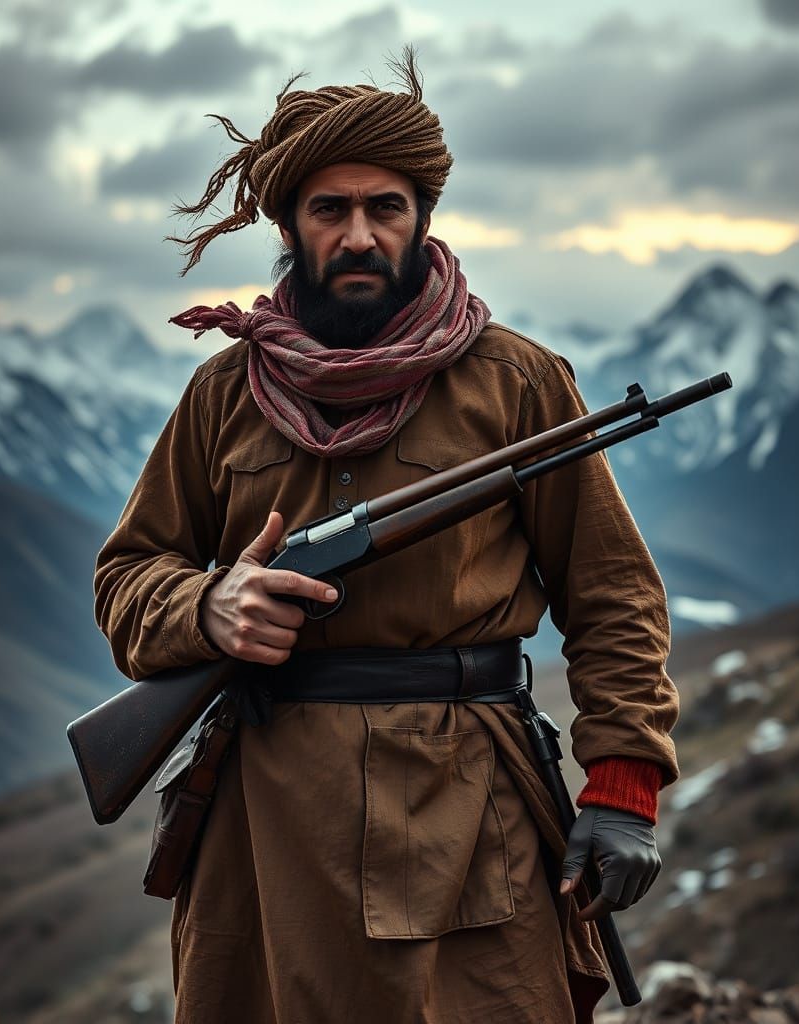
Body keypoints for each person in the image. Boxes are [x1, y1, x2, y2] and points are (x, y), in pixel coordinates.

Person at [94, 51, 678, 1024]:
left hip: (466, 808)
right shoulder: (221, 396)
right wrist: (210, 604)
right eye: (330, 210)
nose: (359, 235)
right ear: (290, 226)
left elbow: (611, 593)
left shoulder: (518, 381)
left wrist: (622, 784)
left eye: (385, 209)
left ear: (421, 219)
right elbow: (127, 578)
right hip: (262, 826)